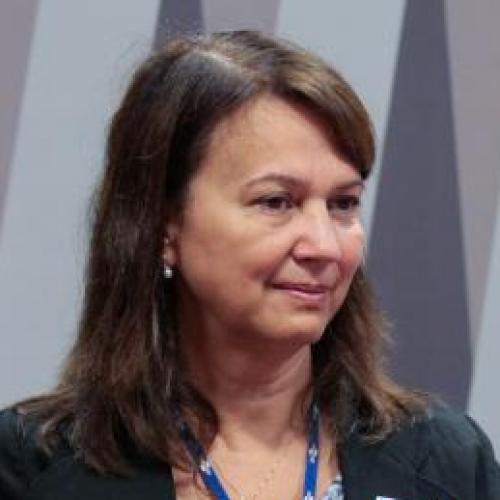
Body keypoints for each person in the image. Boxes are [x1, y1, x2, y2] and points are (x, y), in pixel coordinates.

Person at [0, 30, 499, 500]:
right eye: (276, 202)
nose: (324, 245)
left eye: (343, 204)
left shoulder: (446, 463)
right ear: (162, 225)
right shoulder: (33, 468)